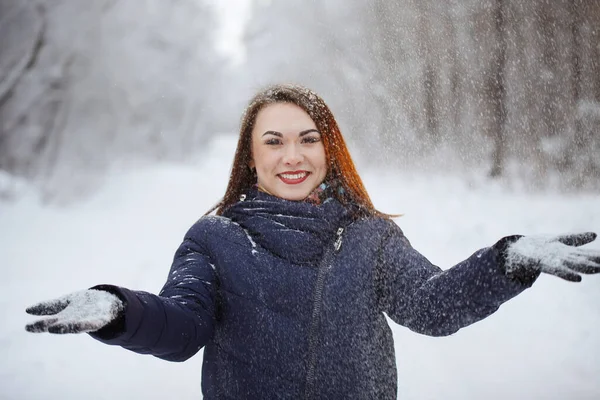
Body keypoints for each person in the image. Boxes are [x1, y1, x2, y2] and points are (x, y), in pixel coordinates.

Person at [26, 84, 600, 399]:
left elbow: (432, 306)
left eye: (307, 139)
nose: (292, 156)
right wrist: (119, 311)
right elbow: (181, 327)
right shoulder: (214, 240)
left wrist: (508, 259)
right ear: (250, 158)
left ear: (329, 151)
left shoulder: (370, 237)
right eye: (273, 142)